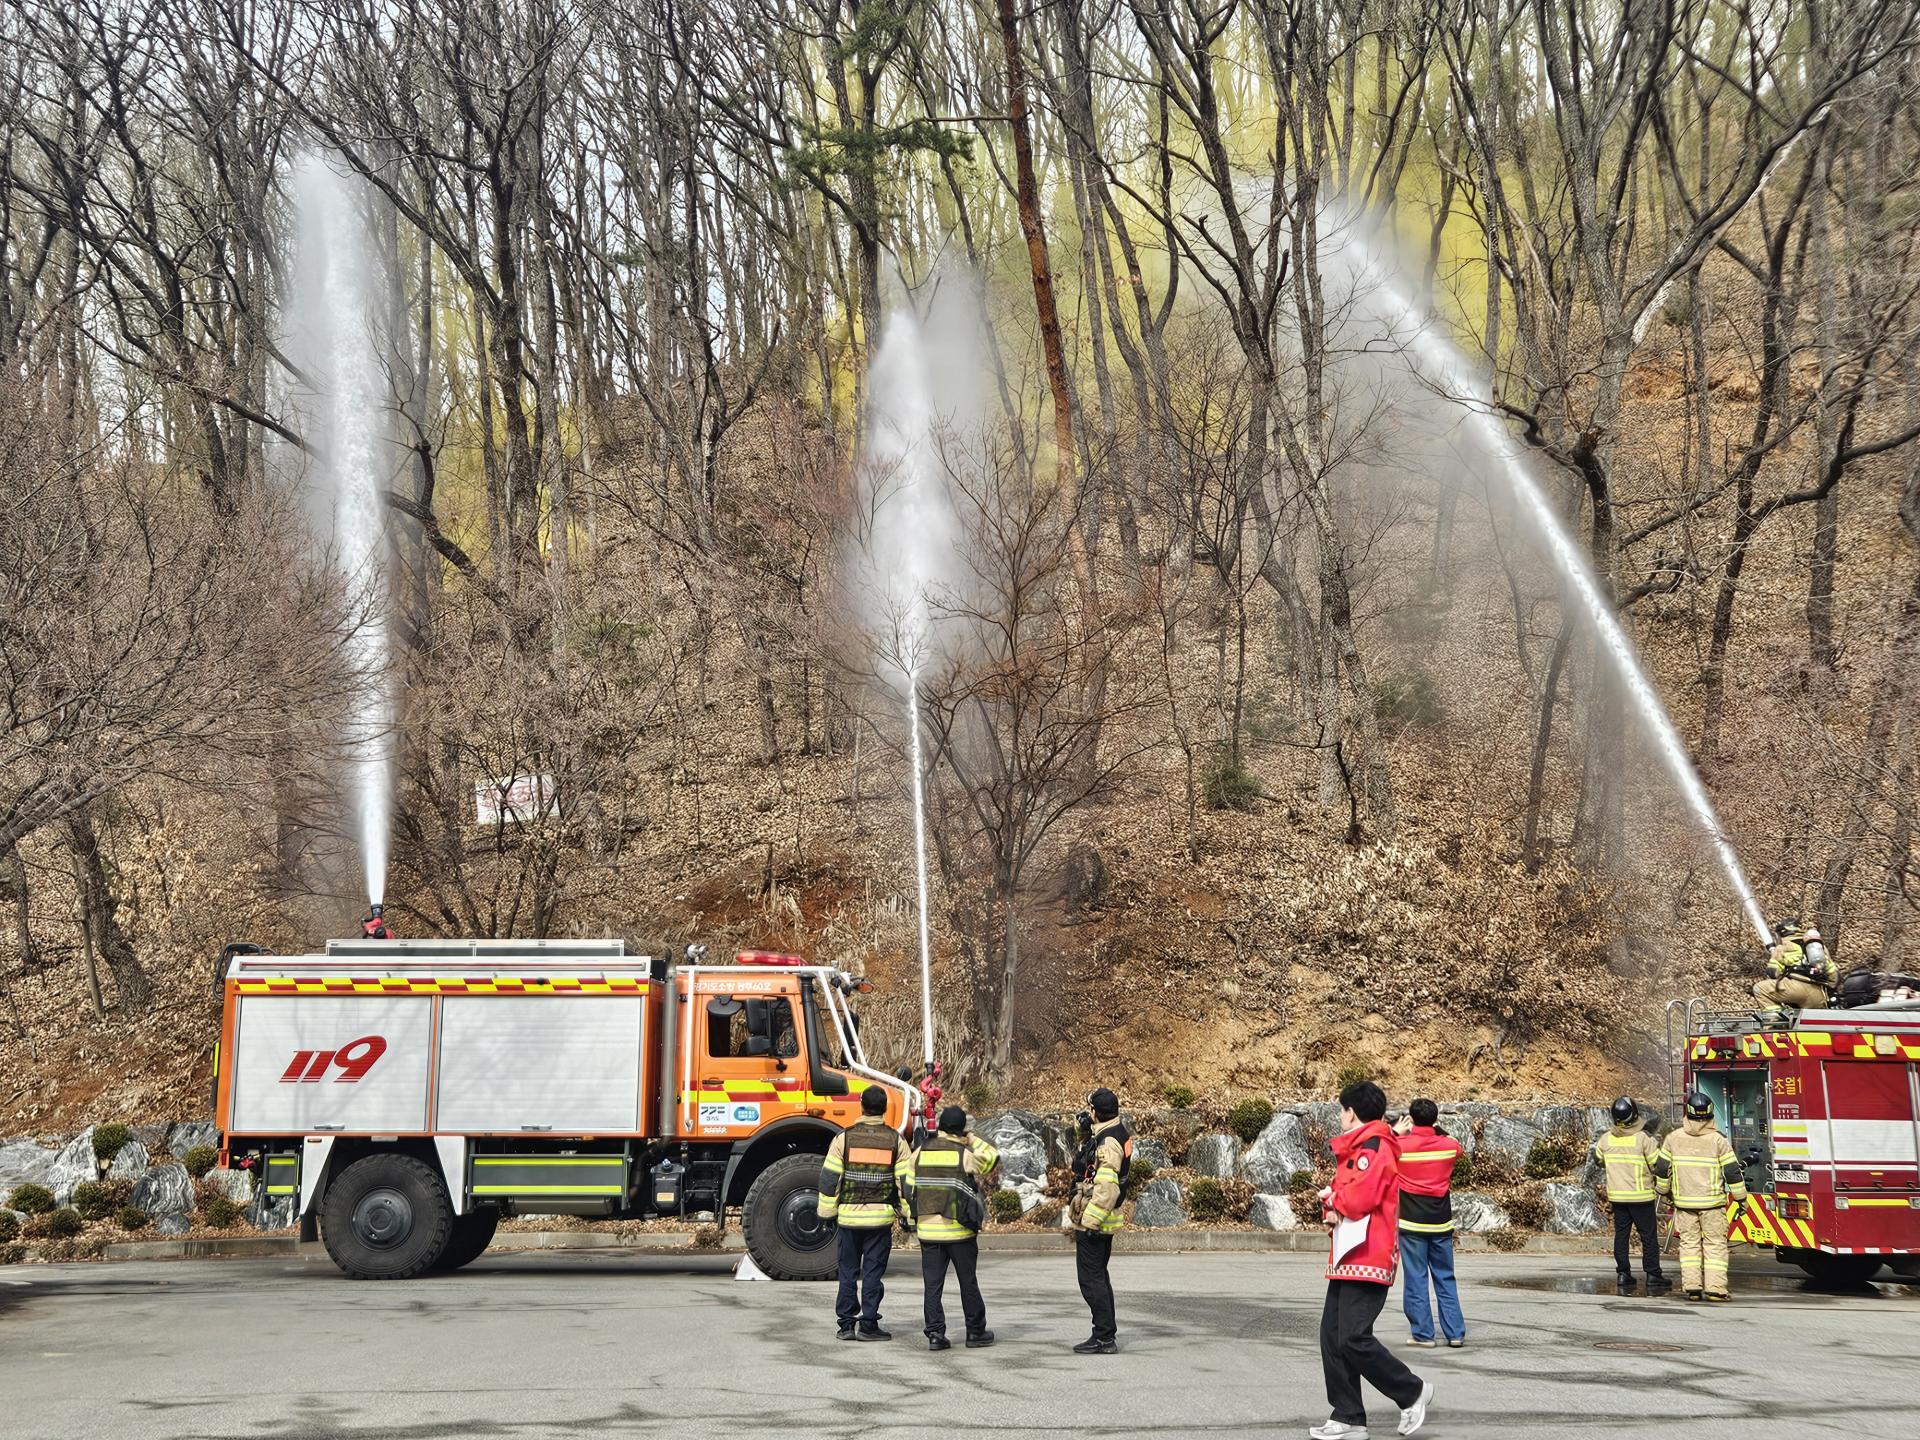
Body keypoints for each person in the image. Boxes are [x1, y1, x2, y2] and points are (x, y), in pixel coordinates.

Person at [1314, 1081, 1432, 1440]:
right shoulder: (1363, 1147)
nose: (1339, 1117)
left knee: (1351, 1337)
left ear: (1351, 1112)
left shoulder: (1375, 1147)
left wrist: (1334, 1199)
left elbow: (1362, 1196)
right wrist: (1334, 1200)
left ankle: (1411, 1391)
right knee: (1332, 1336)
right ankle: (1348, 1415)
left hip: (1369, 1255)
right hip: (1350, 1254)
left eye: (1341, 1110)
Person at [817, 1085, 912, 1340]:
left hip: (848, 1219)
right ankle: (869, 1325)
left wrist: (826, 1214)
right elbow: (906, 1185)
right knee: (872, 1273)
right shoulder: (897, 1141)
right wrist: (907, 1215)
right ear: (884, 1109)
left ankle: (846, 1325)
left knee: (847, 1272)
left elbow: (828, 1180)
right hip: (879, 1222)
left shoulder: (843, 1138)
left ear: (861, 1106)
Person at [904, 1104, 999, 1351]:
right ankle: (975, 1332)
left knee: (932, 1285)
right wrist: (972, 1139)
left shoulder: (920, 1152)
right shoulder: (964, 1153)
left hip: (928, 1230)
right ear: (961, 1130)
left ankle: (936, 1334)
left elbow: (907, 1187)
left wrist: (913, 1217)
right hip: (959, 1232)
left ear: (942, 1126)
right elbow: (991, 1159)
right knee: (968, 1282)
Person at [1654, 1091, 1749, 1303]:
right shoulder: (1718, 1140)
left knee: (1689, 1245)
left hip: (1685, 1204)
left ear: (1687, 1113)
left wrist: (1663, 1191)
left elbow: (1661, 1168)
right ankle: (1715, 1290)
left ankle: (1693, 1288)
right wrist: (1741, 1199)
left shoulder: (1673, 1139)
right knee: (1715, 1245)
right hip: (1713, 1205)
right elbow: (1732, 1172)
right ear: (1710, 1114)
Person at [1392, 1099, 1464, 1349]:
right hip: (1441, 1223)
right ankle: (1455, 1333)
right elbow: (1458, 1146)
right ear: (1435, 1119)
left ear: (1411, 1118)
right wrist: (1436, 1129)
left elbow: (1378, 1150)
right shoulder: (1449, 1146)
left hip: (1412, 1223)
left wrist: (1396, 1132)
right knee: (1445, 1277)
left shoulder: (1400, 1147)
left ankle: (1423, 1334)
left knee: (1416, 1278)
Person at [1068, 1087, 1131, 1355]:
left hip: (1097, 1224)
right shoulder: (1111, 1132)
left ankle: (1104, 1337)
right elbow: (1087, 1158)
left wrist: (1090, 1223)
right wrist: (1084, 1129)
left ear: (1097, 1112)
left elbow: (1107, 1188)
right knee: (1099, 1278)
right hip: (1103, 1221)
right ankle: (1105, 1333)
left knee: (1091, 1280)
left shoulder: (1108, 1143)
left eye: (1090, 1110)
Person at [1592, 1096, 1670, 1296]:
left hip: (1618, 1197)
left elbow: (1598, 1160)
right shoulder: (1643, 1139)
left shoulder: (1606, 1138)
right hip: (1641, 1197)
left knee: (1621, 1235)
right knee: (1648, 1237)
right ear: (1634, 1114)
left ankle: (1623, 1274)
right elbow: (1658, 1165)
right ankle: (1653, 1275)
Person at [1753, 918, 1837, 1010]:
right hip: (1819, 995)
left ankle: (1775, 1022)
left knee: (1760, 989)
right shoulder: (1819, 947)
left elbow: (1772, 972)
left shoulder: (1784, 946)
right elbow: (1834, 976)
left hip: (1795, 991)